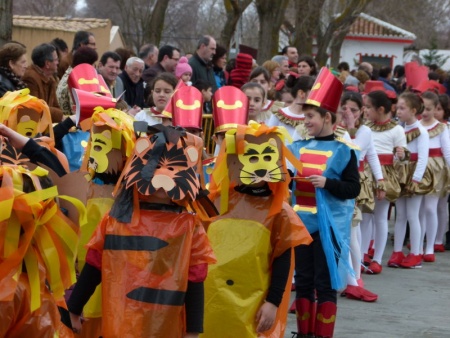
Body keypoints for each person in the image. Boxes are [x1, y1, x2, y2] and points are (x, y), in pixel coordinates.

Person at [67, 124, 216, 337]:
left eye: (174, 168)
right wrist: (74, 307)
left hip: (164, 325)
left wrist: (193, 331)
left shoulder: (189, 227)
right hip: (120, 322)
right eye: (154, 166)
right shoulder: (116, 220)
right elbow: (94, 264)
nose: (163, 177)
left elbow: (195, 279)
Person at [203, 117, 312, 337]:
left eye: (267, 157)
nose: (259, 167)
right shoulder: (217, 202)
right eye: (251, 157)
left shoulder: (278, 211)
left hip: (253, 300)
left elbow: (283, 258)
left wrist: (273, 302)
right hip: (210, 297)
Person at [289, 67, 360, 337]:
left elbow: (353, 188)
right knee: (304, 281)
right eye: (305, 116)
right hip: (302, 225)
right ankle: (304, 333)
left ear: (327, 117)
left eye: (310, 116)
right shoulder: (296, 148)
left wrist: (327, 183)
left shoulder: (345, 151)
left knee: (326, 283)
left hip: (329, 228)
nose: (305, 121)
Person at [338, 92, 382, 302]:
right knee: (346, 233)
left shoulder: (363, 130)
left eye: (353, 110)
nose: (348, 113)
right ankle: (347, 277)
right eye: (344, 108)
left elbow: (357, 152)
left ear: (361, 111)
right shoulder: (339, 129)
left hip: (351, 182)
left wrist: (380, 179)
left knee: (353, 230)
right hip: (336, 182)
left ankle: (355, 277)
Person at [359, 91, 407, 275]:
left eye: (369, 107)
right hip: (366, 174)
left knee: (380, 216)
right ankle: (362, 254)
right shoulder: (366, 127)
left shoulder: (397, 130)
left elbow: (404, 157)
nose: (366, 110)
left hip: (384, 175)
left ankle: (377, 258)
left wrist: (402, 155)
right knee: (364, 216)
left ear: (380, 109)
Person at [387, 92, 429, 269]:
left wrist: (417, 179)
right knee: (400, 215)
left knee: (413, 215)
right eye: (398, 107)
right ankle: (397, 252)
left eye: (403, 108)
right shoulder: (399, 129)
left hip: (414, 177)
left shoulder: (422, 132)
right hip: (401, 175)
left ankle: (416, 254)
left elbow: (423, 158)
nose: (398, 110)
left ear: (413, 110)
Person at [418, 91, 450, 261]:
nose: (425, 112)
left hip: (435, 170)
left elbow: (447, 151)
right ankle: (420, 245)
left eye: (429, 109)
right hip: (418, 170)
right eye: (423, 108)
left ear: (436, 108)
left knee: (430, 208)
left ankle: (430, 246)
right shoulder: (415, 125)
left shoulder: (442, 127)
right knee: (419, 210)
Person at [22, 43, 63, 122]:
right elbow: (37, 108)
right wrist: (60, 115)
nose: (58, 62)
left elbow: (56, 106)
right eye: (56, 59)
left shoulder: (50, 79)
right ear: (47, 64)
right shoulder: (30, 78)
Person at [266, 75, 315, 139]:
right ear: (301, 93)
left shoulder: (314, 118)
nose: (316, 96)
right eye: (313, 92)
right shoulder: (278, 115)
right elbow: (268, 139)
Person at [56, 46, 99, 116]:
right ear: (85, 64)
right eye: (93, 64)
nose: (94, 67)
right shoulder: (73, 80)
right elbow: (76, 111)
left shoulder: (71, 74)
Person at [434, 94, 450, 250]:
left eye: (439, 109)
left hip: (445, 169)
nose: (436, 112)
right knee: (428, 207)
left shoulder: (447, 127)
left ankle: (439, 239)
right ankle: (430, 237)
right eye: (434, 109)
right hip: (430, 170)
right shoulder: (426, 126)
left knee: (441, 206)